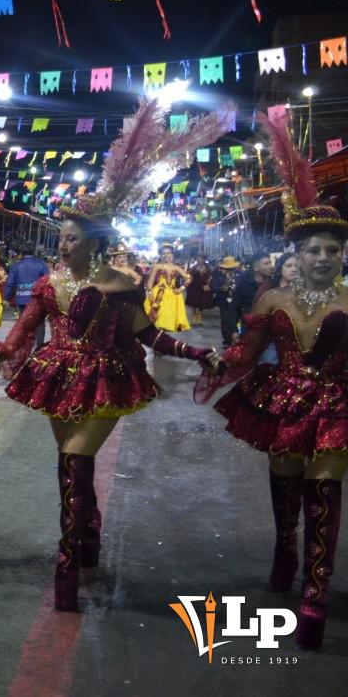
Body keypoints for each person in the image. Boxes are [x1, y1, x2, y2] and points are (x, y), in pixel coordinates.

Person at [0, 99, 225, 613]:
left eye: (71, 238)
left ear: (93, 241)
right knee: (69, 466)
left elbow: (148, 336)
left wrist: (195, 352)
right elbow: (25, 330)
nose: (63, 245)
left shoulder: (119, 283)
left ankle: (66, 567)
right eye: (61, 237)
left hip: (104, 378)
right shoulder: (50, 282)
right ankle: (89, 534)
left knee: (77, 462)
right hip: (54, 376)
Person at [199, 114, 348, 650]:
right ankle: (286, 552)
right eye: (315, 250)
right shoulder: (273, 299)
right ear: (297, 255)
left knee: (324, 491)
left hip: (336, 406)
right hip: (282, 403)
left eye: (334, 250)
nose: (325, 258)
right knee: (287, 491)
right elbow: (247, 350)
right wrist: (220, 360)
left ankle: (316, 589)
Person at [4, 246, 49, 346]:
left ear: (21, 253)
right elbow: (47, 281)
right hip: (37, 299)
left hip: (21, 298)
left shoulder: (15, 266)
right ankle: (39, 347)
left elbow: (10, 283)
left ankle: (25, 346)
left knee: (23, 323)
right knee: (40, 323)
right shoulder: (41, 264)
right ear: (34, 252)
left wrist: (7, 297)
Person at [144, 245, 190, 331]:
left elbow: (188, 278)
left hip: (172, 296)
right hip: (158, 295)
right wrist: (149, 292)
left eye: (168, 253)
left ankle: (162, 338)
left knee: (167, 318)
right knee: (157, 316)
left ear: (172, 255)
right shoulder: (157, 266)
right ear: (160, 255)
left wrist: (181, 289)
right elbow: (150, 281)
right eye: (163, 253)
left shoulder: (176, 268)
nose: (166, 255)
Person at [212, 256, 241, 346]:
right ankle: (227, 340)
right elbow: (213, 287)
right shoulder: (218, 275)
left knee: (235, 320)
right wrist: (221, 288)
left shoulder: (239, 275)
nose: (230, 270)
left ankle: (235, 338)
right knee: (225, 320)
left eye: (232, 268)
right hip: (223, 300)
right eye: (228, 268)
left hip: (236, 300)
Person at [186, 254, 215, 326]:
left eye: (200, 258)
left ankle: (199, 320)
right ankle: (193, 320)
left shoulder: (207, 267)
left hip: (203, 287)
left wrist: (208, 284)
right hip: (194, 287)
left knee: (201, 304)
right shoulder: (194, 267)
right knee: (194, 303)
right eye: (197, 258)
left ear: (203, 259)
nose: (198, 259)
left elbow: (210, 276)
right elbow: (189, 275)